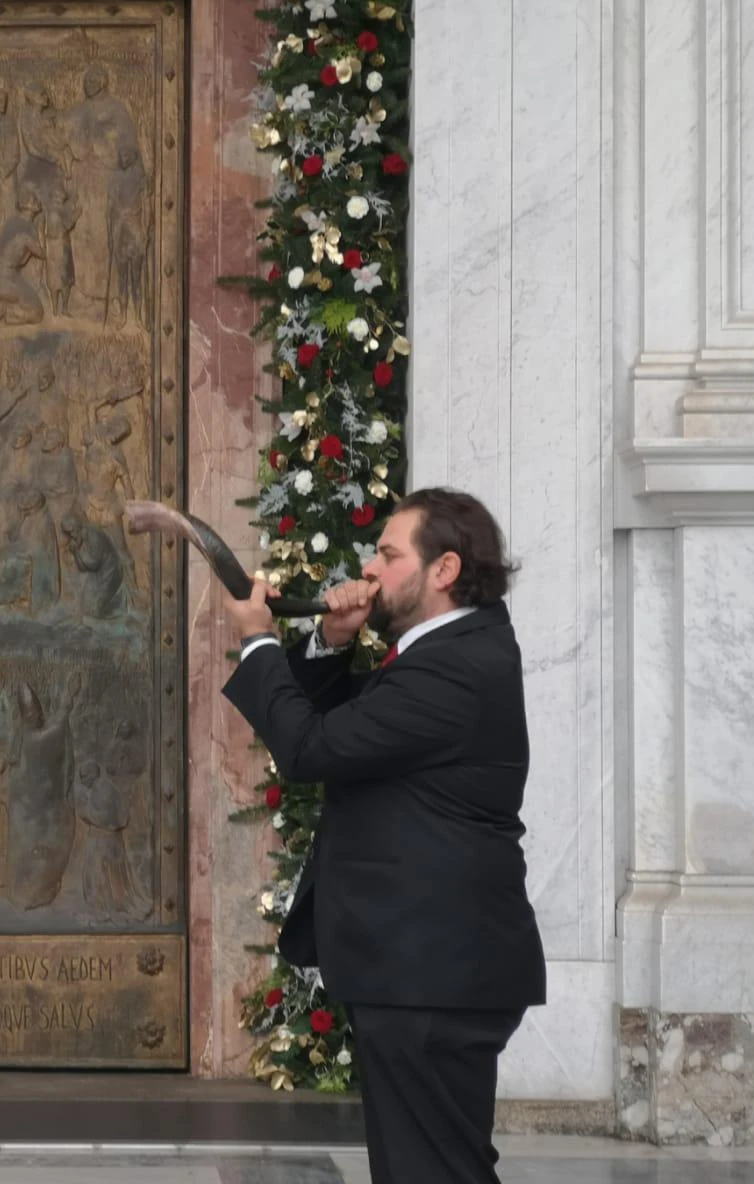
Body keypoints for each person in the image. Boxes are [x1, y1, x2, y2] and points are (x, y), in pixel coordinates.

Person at [222, 487, 546, 1184]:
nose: (369, 569)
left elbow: (309, 751)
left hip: (433, 972)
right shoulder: (446, 655)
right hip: (427, 970)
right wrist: (331, 643)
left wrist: (256, 641)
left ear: (444, 570)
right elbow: (350, 738)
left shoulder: (453, 667)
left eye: (389, 554)